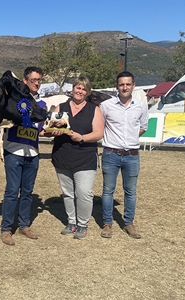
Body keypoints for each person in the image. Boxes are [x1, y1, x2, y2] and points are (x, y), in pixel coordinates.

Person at [44, 76, 104, 239]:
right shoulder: (60, 107)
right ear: (73, 89)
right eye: (78, 87)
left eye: (84, 89)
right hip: (62, 156)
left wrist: (82, 138)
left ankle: (82, 225)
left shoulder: (94, 109)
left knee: (83, 193)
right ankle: (71, 222)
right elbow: (45, 131)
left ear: (88, 92)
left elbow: (99, 133)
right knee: (68, 193)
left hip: (85, 158)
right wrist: (52, 132)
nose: (80, 91)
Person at [0, 66, 47, 245]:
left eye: (39, 80)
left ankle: (24, 225)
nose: (36, 84)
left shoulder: (42, 104)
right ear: (25, 81)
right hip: (14, 152)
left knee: (27, 192)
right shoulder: (15, 101)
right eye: (33, 80)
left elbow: (40, 130)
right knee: (12, 191)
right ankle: (6, 229)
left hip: (33, 154)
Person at [99, 71, 148, 239]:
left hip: (132, 155)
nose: (125, 87)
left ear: (133, 85)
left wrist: (130, 139)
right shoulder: (106, 106)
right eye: (121, 84)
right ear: (116, 86)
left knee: (131, 191)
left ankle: (129, 223)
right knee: (107, 190)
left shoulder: (141, 106)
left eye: (128, 84)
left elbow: (143, 127)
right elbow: (101, 126)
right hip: (110, 154)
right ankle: (107, 223)